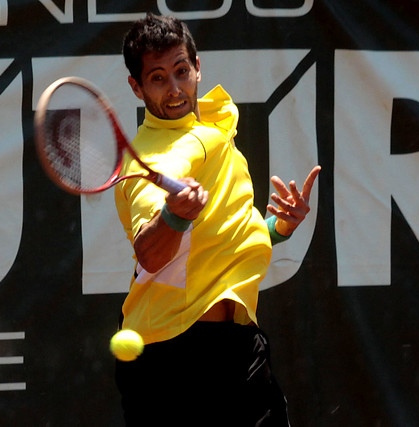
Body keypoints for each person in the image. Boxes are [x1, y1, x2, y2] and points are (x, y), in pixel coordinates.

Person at [114, 13, 321, 426]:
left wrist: (276, 229)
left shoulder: (213, 129)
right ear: (136, 87)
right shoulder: (149, 161)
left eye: (181, 71)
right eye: (157, 78)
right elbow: (150, 255)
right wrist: (173, 216)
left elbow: (223, 240)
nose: (174, 89)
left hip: (240, 344)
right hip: (169, 359)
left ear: (196, 67)